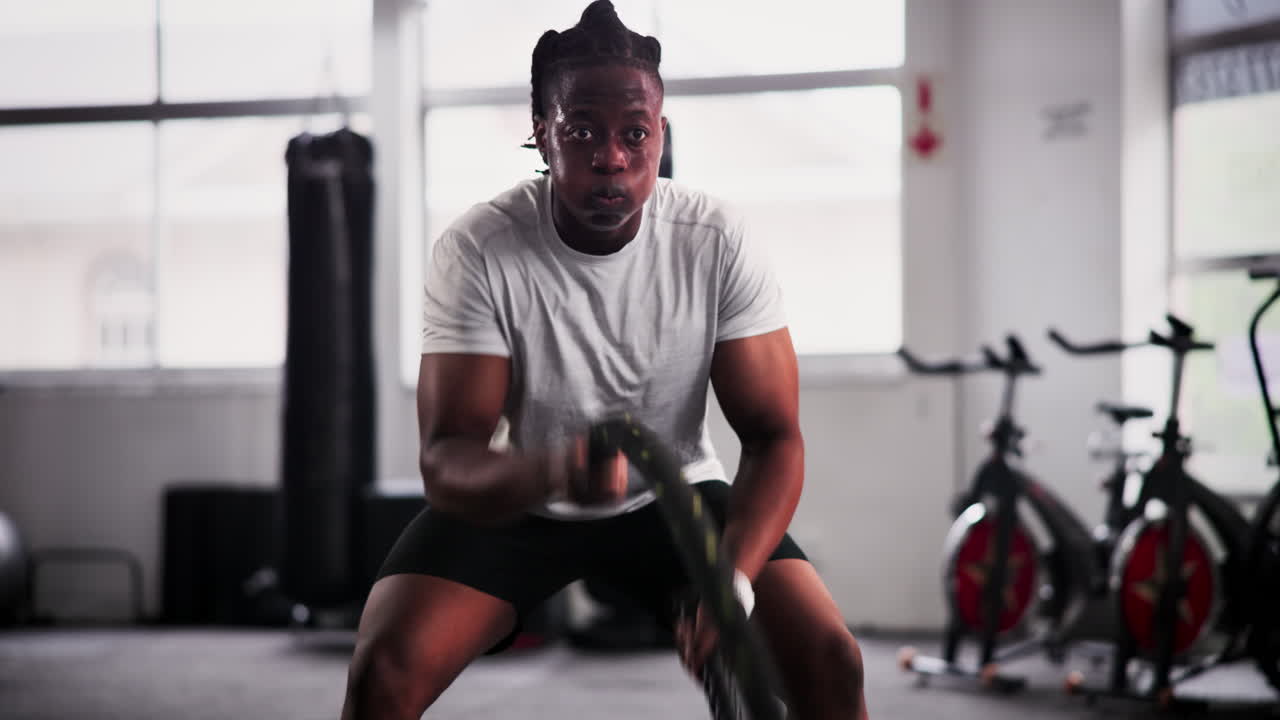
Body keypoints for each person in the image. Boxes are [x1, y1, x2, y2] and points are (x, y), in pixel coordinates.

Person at [341, 2, 868, 718]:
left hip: (673, 493)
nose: (611, 158)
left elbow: (775, 437)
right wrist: (556, 469)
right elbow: (447, 458)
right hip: (524, 496)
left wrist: (728, 581)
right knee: (385, 674)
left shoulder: (715, 240)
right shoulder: (480, 250)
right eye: (582, 131)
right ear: (541, 135)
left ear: (660, 135)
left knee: (832, 662)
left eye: (634, 134)